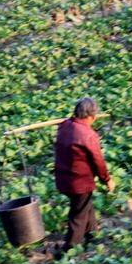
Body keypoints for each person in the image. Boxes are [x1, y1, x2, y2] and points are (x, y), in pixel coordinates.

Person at [54, 97, 115, 254]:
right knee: (78, 216)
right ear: (91, 117)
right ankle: (68, 251)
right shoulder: (88, 135)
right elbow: (98, 161)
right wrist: (107, 180)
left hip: (63, 179)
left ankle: (92, 234)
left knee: (85, 204)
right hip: (78, 183)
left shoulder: (64, 126)